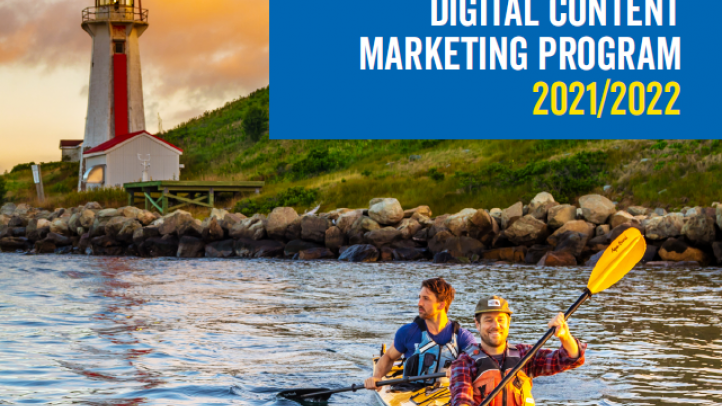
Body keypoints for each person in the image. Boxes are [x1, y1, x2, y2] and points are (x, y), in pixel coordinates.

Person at [449, 295, 586, 406]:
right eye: (488, 320)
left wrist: (565, 337)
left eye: (501, 320)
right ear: (477, 324)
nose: (495, 325)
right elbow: (461, 398)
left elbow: (569, 359)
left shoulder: (524, 354)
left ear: (508, 323)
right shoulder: (464, 362)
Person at [365, 277, 475, 391]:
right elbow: (388, 357)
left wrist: (460, 366)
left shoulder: (463, 337)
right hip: (409, 391)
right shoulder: (408, 332)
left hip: (447, 393)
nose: (419, 303)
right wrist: (376, 377)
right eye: (419, 298)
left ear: (441, 304)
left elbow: (476, 361)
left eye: (426, 299)